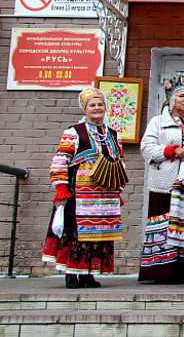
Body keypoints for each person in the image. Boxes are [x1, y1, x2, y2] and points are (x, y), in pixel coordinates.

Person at [42, 87, 126, 289]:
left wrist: (118, 190)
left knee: (98, 233)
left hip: (105, 195)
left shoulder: (113, 135)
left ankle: (89, 274)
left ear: (105, 108)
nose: (97, 108)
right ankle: (71, 274)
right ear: (85, 109)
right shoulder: (74, 132)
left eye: (100, 104)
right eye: (92, 105)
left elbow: (119, 163)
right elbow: (60, 160)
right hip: (79, 192)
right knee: (77, 232)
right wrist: (61, 188)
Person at [138, 75, 184, 283]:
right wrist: (172, 150)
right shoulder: (158, 122)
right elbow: (146, 148)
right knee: (165, 224)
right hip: (167, 181)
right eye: (181, 96)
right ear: (171, 99)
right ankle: (162, 271)